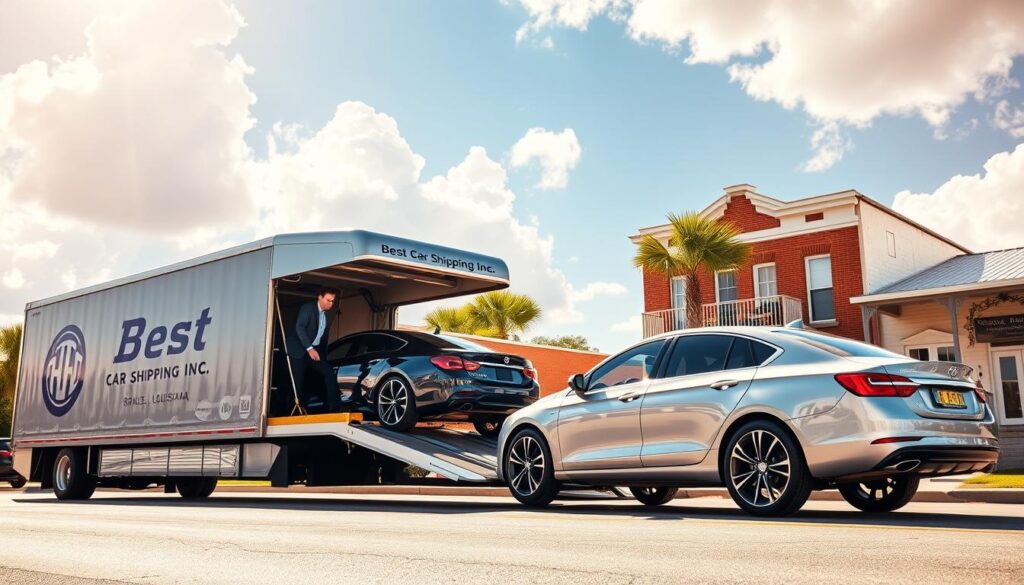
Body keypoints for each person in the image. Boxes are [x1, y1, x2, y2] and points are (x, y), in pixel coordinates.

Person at [285, 286, 343, 413]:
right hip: (299, 351)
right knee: (298, 384)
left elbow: (321, 338)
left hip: (313, 352)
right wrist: (310, 348)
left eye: (333, 301)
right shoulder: (308, 308)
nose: (331, 303)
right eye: (328, 300)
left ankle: (335, 409)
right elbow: (300, 327)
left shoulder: (325, 316)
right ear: (320, 297)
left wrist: (321, 354)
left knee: (328, 372)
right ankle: (290, 413)